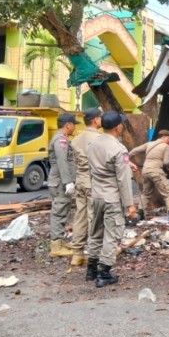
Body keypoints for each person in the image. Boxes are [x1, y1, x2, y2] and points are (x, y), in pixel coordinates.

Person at [86, 111, 136, 287]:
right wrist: (130, 204)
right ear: (117, 127)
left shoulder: (93, 144)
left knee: (96, 232)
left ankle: (91, 269)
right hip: (111, 197)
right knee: (112, 235)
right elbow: (123, 180)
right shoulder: (119, 149)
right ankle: (104, 273)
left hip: (96, 195)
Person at [68, 108, 102, 266]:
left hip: (80, 180)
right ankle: (94, 254)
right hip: (93, 181)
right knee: (93, 217)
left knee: (80, 216)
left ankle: (77, 254)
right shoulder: (99, 139)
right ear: (96, 120)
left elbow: (73, 161)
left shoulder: (76, 138)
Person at [128, 129, 169, 223]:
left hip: (145, 171)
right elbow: (166, 162)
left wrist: (127, 162)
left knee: (146, 193)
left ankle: (140, 215)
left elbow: (133, 151)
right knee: (168, 193)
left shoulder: (149, 144)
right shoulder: (166, 146)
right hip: (156, 171)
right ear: (165, 137)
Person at [47, 113, 80, 258]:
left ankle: (59, 241)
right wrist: (68, 182)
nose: (74, 127)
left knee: (63, 211)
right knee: (59, 212)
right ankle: (56, 247)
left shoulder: (62, 139)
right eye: (74, 124)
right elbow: (62, 162)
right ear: (68, 125)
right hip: (60, 182)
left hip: (60, 181)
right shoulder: (61, 140)